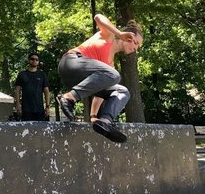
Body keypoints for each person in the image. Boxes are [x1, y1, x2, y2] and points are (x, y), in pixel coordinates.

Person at [56, 14, 143, 143]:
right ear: (128, 35)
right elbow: (98, 17)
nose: (135, 48)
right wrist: (119, 33)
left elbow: (99, 92)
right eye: (135, 43)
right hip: (71, 63)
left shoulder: (109, 66)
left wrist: (93, 116)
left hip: (78, 81)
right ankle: (69, 97)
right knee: (114, 75)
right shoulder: (109, 35)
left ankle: (105, 121)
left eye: (137, 47)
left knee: (122, 91)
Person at [14, 53, 50, 121]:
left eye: (37, 59)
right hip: (26, 109)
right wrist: (18, 105)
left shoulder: (42, 75)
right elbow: (17, 90)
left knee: (40, 130)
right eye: (32, 59)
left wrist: (47, 106)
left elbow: (46, 91)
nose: (34, 61)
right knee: (26, 130)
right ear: (28, 60)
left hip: (39, 109)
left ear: (38, 62)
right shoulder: (22, 74)